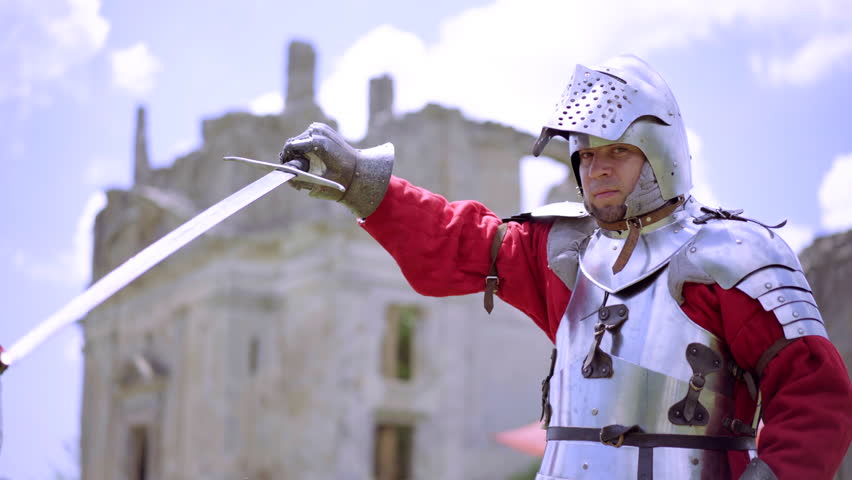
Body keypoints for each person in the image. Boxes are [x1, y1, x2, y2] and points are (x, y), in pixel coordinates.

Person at [279, 55, 852, 479]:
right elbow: (456, 239)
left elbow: (813, 393)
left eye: (617, 152)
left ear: (661, 152)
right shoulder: (563, 252)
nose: (598, 169)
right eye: (587, 155)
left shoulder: (734, 257)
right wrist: (356, 181)